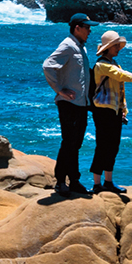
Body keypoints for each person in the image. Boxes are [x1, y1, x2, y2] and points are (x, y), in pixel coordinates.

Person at [87, 31, 132, 193]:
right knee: (102, 146)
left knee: (113, 146)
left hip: (114, 111)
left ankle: (108, 182)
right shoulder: (102, 65)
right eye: (116, 46)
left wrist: (123, 110)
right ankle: (97, 184)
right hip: (102, 111)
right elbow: (120, 76)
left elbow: (119, 90)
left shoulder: (114, 63)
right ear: (108, 47)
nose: (118, 48)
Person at [42, 14, 93, 195]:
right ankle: (60, 181)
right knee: (69, 142)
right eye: (87, 27)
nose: (90, 31)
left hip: (81, 103)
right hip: (69, 103)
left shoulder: (81, 47)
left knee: (76, 143)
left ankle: (74, 181)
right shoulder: (68, 45)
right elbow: (48, 65)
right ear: (77, 28)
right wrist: (59, 90)